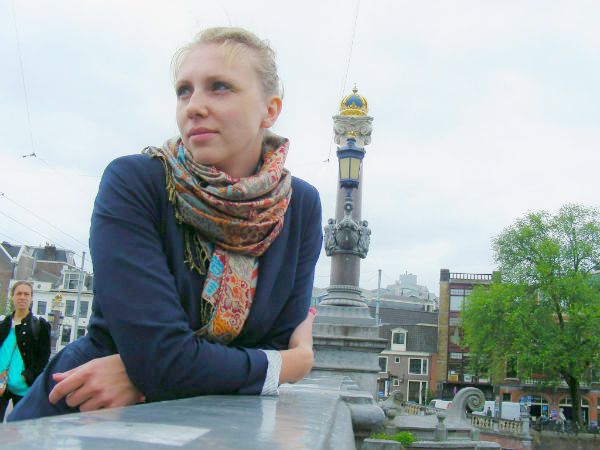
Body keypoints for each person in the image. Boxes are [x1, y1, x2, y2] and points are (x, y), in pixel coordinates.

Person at [9, 27, 322, 421]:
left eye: (219, 87)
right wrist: (287, 366)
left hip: (207, 426)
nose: (194, 106)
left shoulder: (300, 206)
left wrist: (143, 374)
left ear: (270, 110)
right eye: (184, 91)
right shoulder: (135, 182)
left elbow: (261, 342)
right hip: (82, 414)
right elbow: (165, 357)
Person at [0, 281, 51, 421]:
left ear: (31, 298)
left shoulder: (39, 325)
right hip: (1, 385)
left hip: (24, 388)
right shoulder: (3, 324)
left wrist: (28, 376)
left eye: (26, 294)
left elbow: (43, 358)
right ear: (12, 297)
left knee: (19, 428)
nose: (22, 297)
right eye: (19, 294)